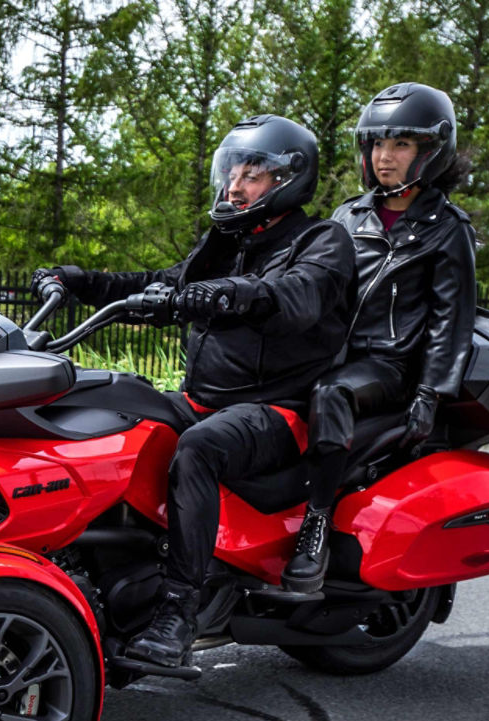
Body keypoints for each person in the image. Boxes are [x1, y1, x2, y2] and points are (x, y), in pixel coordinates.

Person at [32, 114, 353, 668]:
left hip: (279, 410)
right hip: (204, 399)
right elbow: (158, 285)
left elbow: (295, 298)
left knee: (200, 449)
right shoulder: (226, 241)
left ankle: (178, 612)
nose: (234, 184)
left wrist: (225, 295)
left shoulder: (322, 240)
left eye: (252, 174)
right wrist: (79, 280)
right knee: (106, 413)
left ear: (288, 179)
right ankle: (99, 571)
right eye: (231, 171)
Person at [282, 83, 477, 594]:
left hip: (388, 365)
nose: (384, 157)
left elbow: (449, 319)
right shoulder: (349, 216)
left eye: (401, 145)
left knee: (332, 394)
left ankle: (315, 526)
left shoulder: (446, 227)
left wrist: (430, 394)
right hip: (334, 353)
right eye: (376, 144)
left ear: (431, 152)